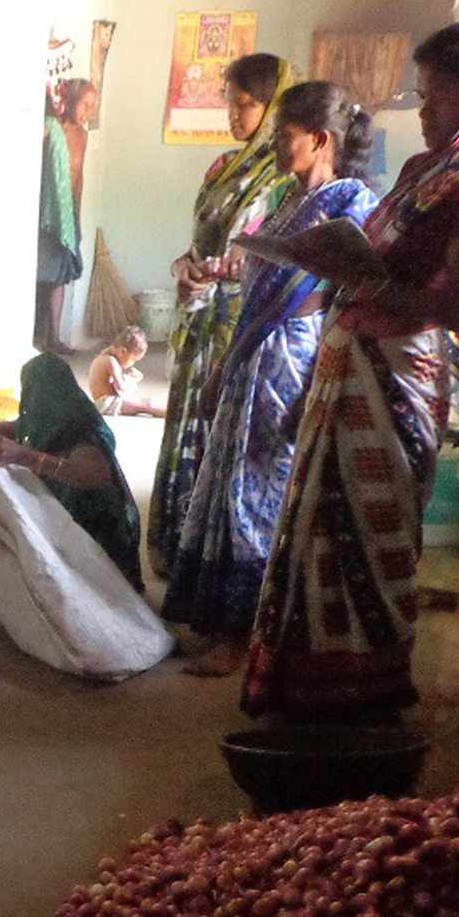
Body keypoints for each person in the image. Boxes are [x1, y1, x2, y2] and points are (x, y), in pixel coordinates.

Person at [241, 20, 459, 721]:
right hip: (346, 361)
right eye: (424, 91)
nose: (425, 108)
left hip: (394, 376)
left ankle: (361, 693)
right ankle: (302, 678)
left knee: (367, 538)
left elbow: (458, 303)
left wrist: (363, 283)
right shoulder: (417, 174)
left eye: (440, 95)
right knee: (311, 525)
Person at [163, 81, 380, 677]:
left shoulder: (353, 205)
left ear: (320, 139)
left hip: (297, 356)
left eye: (285, 135)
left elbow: (352, 294)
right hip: (256, 350)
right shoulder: (286, 196)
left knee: (264, 490)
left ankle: (248, 637)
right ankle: (230, 626)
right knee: (233, 479)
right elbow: (261, 280)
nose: (276, 145)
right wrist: (227, 363)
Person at [148, 52, 297, 577]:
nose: (234, 116)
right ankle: (175, 544)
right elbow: (198, 243)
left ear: (274, 106)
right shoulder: (223, 168)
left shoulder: (283, 179)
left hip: (239, 320)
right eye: (230, 104)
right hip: (199, 315)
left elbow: (275, 259)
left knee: (223, 432)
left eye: (247, 105)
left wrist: (228, 271)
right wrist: (184, 266)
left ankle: (209, 561)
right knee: (188, 419)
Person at [0, 352, 144, 592]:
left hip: (100, 531)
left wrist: (24, 456)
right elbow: (18, 426)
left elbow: (95, 475)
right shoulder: (49, 418)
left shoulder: (82, 428)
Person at [35, 79, 98, 354]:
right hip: (47, 215)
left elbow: (78, 178)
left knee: (59, 278)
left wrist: (76, 217)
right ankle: (36, 337)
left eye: (93, 107)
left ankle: (54, 339)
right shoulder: (50, 130)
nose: (89, 112)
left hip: (67, 217)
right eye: (86, 105)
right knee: (40, 276)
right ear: (69, 102)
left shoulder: (82, 136)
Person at [87, 326, 164, 416]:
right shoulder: (111, 362)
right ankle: (172, 415)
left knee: (146, 401)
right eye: (133, 360)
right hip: (107, 403)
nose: (132, 364)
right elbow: (120, 387)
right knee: (147, 405)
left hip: (107, 401)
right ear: (122, 351)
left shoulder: (104, 356)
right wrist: (131, 379)